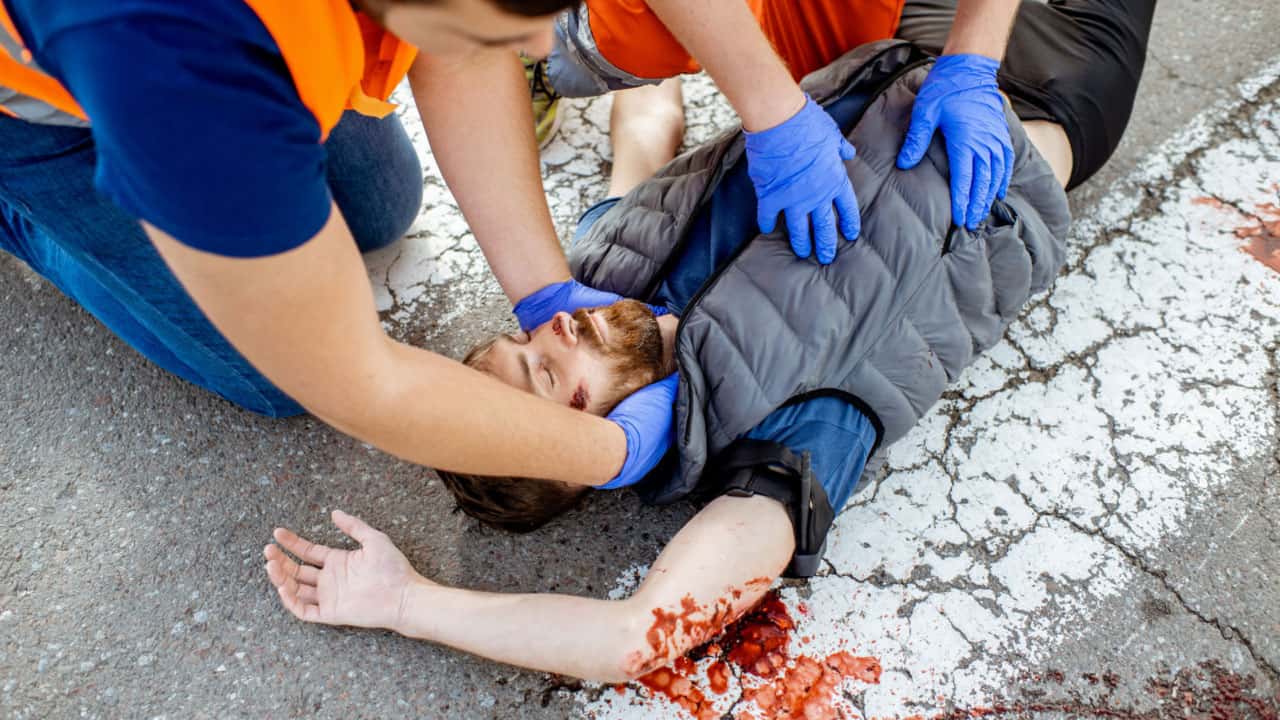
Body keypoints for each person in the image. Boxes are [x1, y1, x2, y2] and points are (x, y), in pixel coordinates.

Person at [263, 0, 1156, 683]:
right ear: (578, 435)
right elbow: (629, 635)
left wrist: (643, 58)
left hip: (901, 36)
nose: (553, 325)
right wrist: (409, 603)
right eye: (547, 372)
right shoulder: (780, 437)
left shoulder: (600, 274)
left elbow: (651, 131)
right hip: (1047, 88)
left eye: (522, 336)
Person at [0, 0, 679, 492]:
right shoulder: (182, 74)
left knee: (383, 204)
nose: (539, 44)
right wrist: (606, 452)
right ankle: (25, 209)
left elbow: (465, 50)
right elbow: (357, 384)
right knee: (271, 372)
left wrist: (542, 287)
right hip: (47, 98)